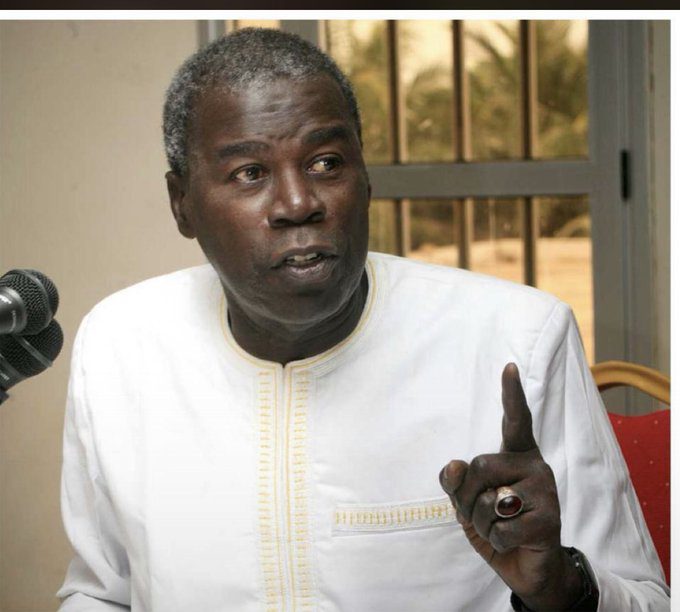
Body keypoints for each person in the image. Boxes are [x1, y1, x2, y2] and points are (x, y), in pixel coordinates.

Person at [57, 28, 669, 611]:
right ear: (182, 204)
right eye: (250, 173)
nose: (299, 203)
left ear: (366, 178)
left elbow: (648, 600)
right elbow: (101, 592)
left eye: (326, 162)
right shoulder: (120, 345)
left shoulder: (520, 338)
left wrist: (562, 589)